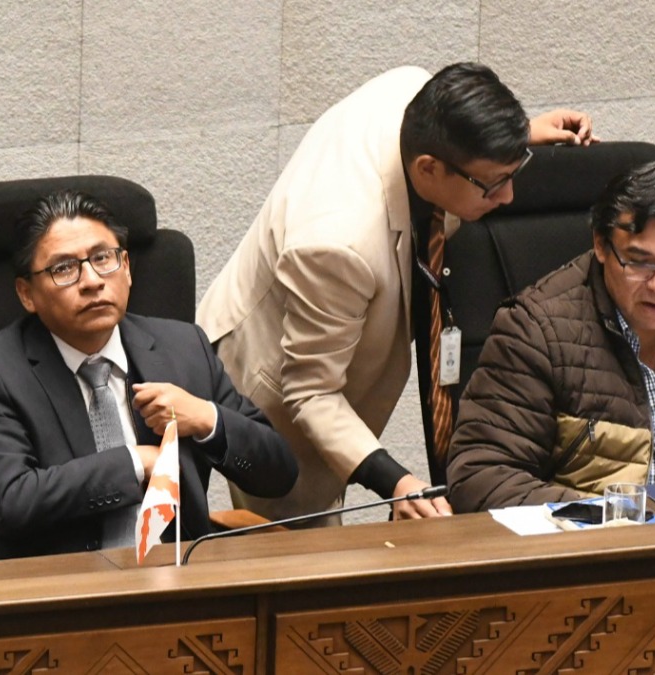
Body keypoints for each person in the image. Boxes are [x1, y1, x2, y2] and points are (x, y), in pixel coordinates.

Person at [196, 62, 595, 523]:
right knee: (299, 547)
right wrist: (397, 481)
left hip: (324, 322)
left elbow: (454, 136)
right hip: (269, 377)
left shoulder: (412, 90)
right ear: (428, 168)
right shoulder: (337, 244)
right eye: (494, 183)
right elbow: (311, 395)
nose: (507, 197)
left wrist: (514, 140)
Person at [0, 190, 298, 562]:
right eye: (64, 268)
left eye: (103, 258)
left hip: (178, 583)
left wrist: (206, 419)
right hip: (52, 594)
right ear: (27, 294)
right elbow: (12, 502)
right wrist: (135, 463)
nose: (91, 281)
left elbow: (277, 475)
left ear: (127, 268)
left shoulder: (183, 347)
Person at [447, 162, 655, 510]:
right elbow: (481, 477)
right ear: (601, 246)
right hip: (598, 548)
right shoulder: (535, 330)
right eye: (639, 262)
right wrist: (626, 515)